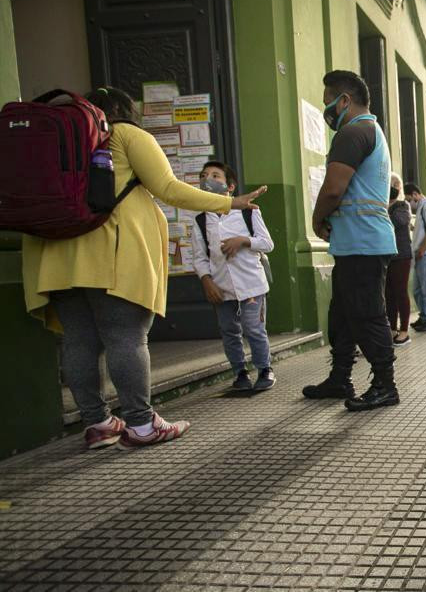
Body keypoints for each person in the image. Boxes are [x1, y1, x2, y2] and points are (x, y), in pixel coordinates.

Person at [21, 87, 266, 450]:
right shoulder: (125, 135)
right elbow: (168, 188)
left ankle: (98, 423)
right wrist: (229, 202)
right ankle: (140, 423)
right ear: (124, 112)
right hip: (109, 253)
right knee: (126, 336)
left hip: (54, 254)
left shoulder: (51, 142)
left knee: (78, 340)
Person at [302, 70, 400, 411]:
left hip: (364, 243)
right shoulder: (370, 131)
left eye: (329, 100)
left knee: (367, 315)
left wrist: (316, 218)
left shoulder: (353, 132)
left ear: (344, 100)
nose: (326, 107)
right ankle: (339, 377)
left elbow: (332, 189)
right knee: (342, 315)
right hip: (357, 242)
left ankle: (385, 385)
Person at [192, 160, 276, 392]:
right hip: (221, 285)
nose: (208, 179)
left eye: (215, 176)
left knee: (253, 328)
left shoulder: (247, 212)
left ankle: (264, 368)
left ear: (230, 187)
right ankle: (239, 372)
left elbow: (267, 243)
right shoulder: (200, 220)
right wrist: (207, 281)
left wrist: (243, 241)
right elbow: (200, 257)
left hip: (251, 283)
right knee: (229, 330)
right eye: (204, 175)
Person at [404, 183, 426, 332]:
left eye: (408, 200)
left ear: (415, 195)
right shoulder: (420, 209)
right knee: (418, 290)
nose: (409, 204)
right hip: (420, 255)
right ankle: (425, 316)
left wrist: (422, 250)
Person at [386, 172, 413, 346]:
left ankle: (404, 331)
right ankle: (392, 328)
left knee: (400, 292)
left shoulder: (402, 206)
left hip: (401, 255)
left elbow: (398, 222)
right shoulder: (384, 205)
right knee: (388, 294)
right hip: (387, 255)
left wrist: (386, 208)